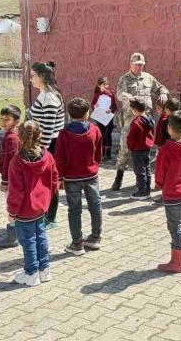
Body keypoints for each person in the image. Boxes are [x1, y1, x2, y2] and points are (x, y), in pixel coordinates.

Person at [7, 121, 59, 287]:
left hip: (24, 210)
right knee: (41, 237)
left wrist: (12, 211)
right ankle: (44, 270)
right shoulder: (48, 156)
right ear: (40, 135)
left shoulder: (17, 162)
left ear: (19, 137)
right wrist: (47, 198)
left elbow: (16, 191)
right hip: (41, 207)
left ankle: (31, 273)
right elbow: (54, 180)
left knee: (28, 241)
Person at [55, 97, 104, 256]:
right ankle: (95, 238)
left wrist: (59, 177)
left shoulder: (64, 133)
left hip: (71, 178)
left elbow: (60, 158)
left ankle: (77, 244)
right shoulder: (95, 130)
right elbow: (99, 152)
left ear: (69, 114)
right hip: (91, 175)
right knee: (95, 206)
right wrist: (95, 165)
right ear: (87, 114)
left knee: (74, 210)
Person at [113, 52, 169, 190]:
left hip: (146, 121)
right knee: (125, 148)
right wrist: (130, 98)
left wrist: (163, 93)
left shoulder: (148, 78)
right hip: (130, 121)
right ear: (131, 64)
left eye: (141, 65)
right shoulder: (124, 79)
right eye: (136, 65)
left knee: (145, 148)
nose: (139, 67)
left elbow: (161, 87)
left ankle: (144, 179)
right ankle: (119, 176)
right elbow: (120, 94)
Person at [154, 110, 181, 273]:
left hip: (172, 193)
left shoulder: (166, 149)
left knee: (175, 226)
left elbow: (160, 172)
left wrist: (159, 184)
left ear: (169, 128)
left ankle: (177, 262)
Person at [27, 61, 65, 228]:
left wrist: (41, 151)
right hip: (43, 144)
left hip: (50, 145)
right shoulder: (44, 94)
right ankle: (44, 213)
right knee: (45, 181)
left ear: (42, 76)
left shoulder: (49, 98)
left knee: (50, 181)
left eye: (33, 76)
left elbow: (48, 129)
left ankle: (51, 218)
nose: (30, 79)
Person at [0, 105, 22, 249]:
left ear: (16, 121)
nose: (3, 122)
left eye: (7, 119)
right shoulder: (11, 134)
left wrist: (5, 181)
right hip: (15, 178)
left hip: (12, 179)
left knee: (11, 206)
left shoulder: (12, 138)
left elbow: (9, 162)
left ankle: (13, 236)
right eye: (1, 118)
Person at [126, 98, 155, 200]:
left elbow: (131, 138)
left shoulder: (136, 122)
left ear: (135, 110)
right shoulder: (149, 119)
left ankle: (142, 192)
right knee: (147, 169)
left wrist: (130, 147)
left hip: (137, 149)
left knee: (139, 171)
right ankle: (147, 189)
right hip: (147, 147)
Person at [91, 77, 118, 161]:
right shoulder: (96, 94)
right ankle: (101, 153)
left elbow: (115, 106)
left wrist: (111, 110)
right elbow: (92, 104)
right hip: (100, 117)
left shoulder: (110, 93)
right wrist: (94, 106)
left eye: (107, 84)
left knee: (107, 134)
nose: (106, 86)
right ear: (99, 85)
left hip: (108, 117)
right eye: (104, 85)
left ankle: (108, 154)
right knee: (101, 134)